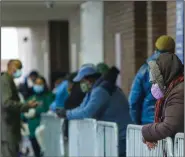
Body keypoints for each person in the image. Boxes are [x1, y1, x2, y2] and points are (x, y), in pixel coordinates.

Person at [56, 65, 132, 157]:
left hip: (119, 136)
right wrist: (67, 112)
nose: (81, 84)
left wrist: (67, 114)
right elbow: (82, 107)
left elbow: (87, 112)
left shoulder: (101, 91)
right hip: (115, 135)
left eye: (82, 81)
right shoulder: (94, 90)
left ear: (89, 79)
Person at [129, 35, 176, 125]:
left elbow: (133, 102)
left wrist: (137, 123)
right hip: (172, 126)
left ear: (155, 49)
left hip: (149, 124)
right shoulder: (178, 71)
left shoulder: (144, 71)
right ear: (173, 51)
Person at [142, 53, 184, 152]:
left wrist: (146, 132)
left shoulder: (179, 92)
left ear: (165, 73)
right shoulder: (173, 89)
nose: (154, 84)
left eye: (155, 80)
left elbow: (170, 126)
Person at [1, 59, 38, 157]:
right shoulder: (5, 80)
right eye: (18, 69)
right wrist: (26, 106)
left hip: (11, 126)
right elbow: (6, 103)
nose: (19, 72)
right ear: (12, 68)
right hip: (8, 128)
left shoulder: (9, 80)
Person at [21, 76, 55, 157]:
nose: (37, 85)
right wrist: (24, 115)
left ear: (44, 85)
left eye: (40, 84)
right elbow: (22, 112)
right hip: (32, 131)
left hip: (45, 131)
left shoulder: (49, 96)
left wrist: (36, 111)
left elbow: (49, 109)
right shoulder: (31, 98)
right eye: (36, 83)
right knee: (36, 154)